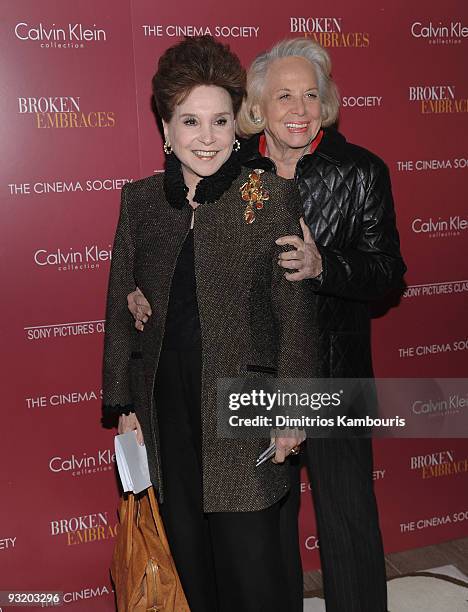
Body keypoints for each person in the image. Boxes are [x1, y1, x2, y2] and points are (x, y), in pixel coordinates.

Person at [129, 38, 406, 612]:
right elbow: (184, 259)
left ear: (327, 103)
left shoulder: (361, 172)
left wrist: (324, 264)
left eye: (311, 94)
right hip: (250, 381)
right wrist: (148, 291)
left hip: (333, 374)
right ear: (256, 106)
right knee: (266, 529)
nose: (299, 108)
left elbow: (388, 271)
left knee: (348, 520)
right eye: (283, 95)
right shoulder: (232, 168)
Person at [102, 35, 319, 612]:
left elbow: (294, 315)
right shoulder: (141, 201)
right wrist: (124, 405)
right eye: (190, 121)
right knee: (190, 563)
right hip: (166, 408)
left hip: (243, 409)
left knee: (252, 570)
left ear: (236, 125)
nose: (206, 137)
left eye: (220, 120)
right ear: (166, 132)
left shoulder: (269, 195)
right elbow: (120, 307)